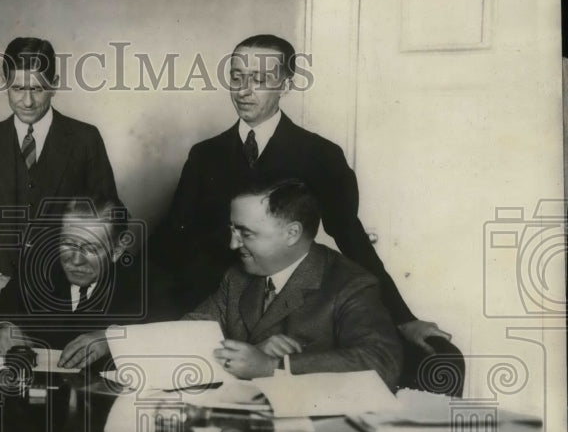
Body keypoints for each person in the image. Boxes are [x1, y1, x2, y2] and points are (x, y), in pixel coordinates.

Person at [154, 33, 449, 351]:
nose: (244, 90)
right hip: (205, 310)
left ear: (286, 84)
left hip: (283, 315)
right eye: (237, 77)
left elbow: (352, 238)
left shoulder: (320, 154)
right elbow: (171, 240)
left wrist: (403, 318)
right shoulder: (204, 154)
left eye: (260, 79)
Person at [183, 179, 403, 389]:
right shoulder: (237, 278)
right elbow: (180, 338)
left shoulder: (351, 284)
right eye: (232, 230)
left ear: (292, 233)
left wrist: (272, 367)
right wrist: (251, 353)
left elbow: (382, 362)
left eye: (246, 233)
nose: (233, 244)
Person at [0, 37, 118, 313]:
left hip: (64, 302)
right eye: (17, 88)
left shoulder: (85, 139)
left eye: (38, 89)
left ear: (54, 84)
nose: (27, 101)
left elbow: (109, 217)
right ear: (5, 83)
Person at [0, 196, 144, 371]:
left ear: (117, 250)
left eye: (91, 249)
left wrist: (111, 340)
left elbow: (168, 342)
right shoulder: (38, 269)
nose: (75, 260)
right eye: (67, 243)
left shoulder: (145, 284)